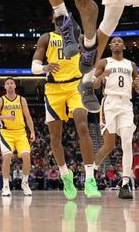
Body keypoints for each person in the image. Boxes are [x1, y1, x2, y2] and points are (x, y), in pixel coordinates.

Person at [30, 17, 98, 199]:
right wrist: (44, 67)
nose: (60, 16)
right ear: (52, 18)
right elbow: (34, 66)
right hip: (53, 89)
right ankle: (66, 175)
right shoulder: (46, 37)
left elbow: (91, 59)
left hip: (76, 86)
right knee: (54, 137)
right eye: (56, 14)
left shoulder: (79, 37)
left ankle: (90, 179)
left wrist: (89, 80)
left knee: (82, 126)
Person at [89, 37, 139, 199]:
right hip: (110, 103)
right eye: (114, 41)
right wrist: (101, 76)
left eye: (120, 41)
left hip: (126, 104)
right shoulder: (104, 62)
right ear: (111, 46)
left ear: (124, 46)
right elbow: (95, 85)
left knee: (127, 142)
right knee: (109, 145)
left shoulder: (131, 64)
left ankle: (125, 184)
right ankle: (92, 171)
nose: (117, 43)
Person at [0, 78, 36, 197]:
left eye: (11, 83)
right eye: (7, 84)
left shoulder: (21, 99)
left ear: (15, 86)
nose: (9, 85)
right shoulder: (1, 100)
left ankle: (25, 183)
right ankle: (5, 186)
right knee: (7, 157)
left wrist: (32, 132)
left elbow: (28, 117)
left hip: (20, 132)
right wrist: (5, 117)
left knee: (26, 156)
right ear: (4, 87)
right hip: (6, 133)